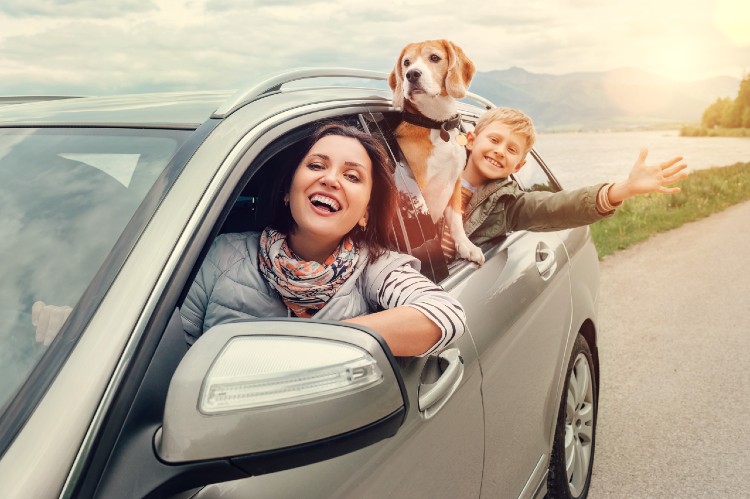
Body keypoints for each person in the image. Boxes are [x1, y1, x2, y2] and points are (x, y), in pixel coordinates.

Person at [181, 122, 466, 357]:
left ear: (365, 213)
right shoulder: (222, 256)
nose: (331, 180)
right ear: (287, 191)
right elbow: (175, 359)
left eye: (352, 176)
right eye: (316, 166)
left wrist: (308, 348)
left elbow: (445, 313)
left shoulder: (375, 268)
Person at [441, 107, 689, 261]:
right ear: (471, 139)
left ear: (518, 166)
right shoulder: (431, 172)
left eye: (512, 149)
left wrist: (624, 189)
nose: (499, 151)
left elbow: (558, 206)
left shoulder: (508, 203)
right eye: (494, 139)